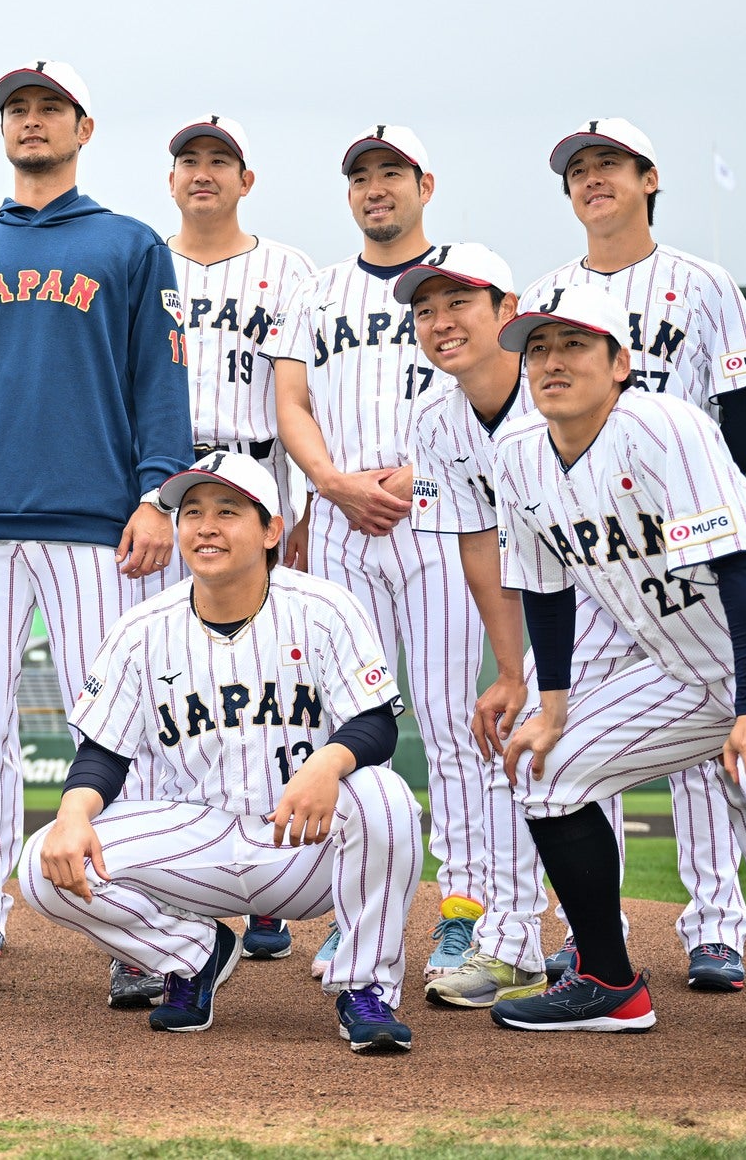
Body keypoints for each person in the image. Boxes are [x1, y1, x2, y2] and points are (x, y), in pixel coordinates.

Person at [489, 283, 746, 1107]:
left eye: (573, 345)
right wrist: (554, 701)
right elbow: (544, 589)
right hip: (700, 669)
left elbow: (742, 567)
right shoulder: (517, 457)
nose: (550, 361)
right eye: (537, 348)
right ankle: (611, 983)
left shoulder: (662, 426)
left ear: (620, 365)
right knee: (547, 767)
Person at [0, 59, 193, 1010]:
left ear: (83, 127)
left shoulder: (131, 244)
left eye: (48, 108)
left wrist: (159, 494)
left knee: (112, 728)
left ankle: (139, 927)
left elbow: (161, 380)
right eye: (17, 110)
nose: (31, 122)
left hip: (97, 524)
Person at [522, 120, 746, 1039]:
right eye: (577, 170)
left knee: (726, 755)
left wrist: (690, 517)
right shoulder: (547, 295)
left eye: (607, 164)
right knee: (578, 748)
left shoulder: (703, 283)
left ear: (650, 179)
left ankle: (724, 931)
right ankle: (594, 945)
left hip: (684, 544)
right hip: (590, 549)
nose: (591, 180)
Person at [21, 452, 421, 1050]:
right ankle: (194, 953)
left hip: (304, 845)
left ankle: (364, 988)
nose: (205, 527)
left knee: (386, 797)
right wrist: (73, 815)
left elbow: (375, 724)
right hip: (200, 839)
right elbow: (103, 756)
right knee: (42, 865)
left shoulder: (323, 607)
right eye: (192, 512)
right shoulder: (142, 629)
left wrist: (328, 762)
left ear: (270, 530)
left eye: (227, 512)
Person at [262, 125, 488, 983]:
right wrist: (332, 483)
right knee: (348, 731)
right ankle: (361, 916)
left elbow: (492, 385)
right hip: (349, 530)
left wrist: (418, 467)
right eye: (361, 176)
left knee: (451, 723)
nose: (375, 188)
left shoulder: (464, 277)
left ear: (425, 183)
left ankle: (470, 911)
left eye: (392, 173)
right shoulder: (316, 294)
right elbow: (291, 404)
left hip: (444, 520)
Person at [394, 243, 622, 1009]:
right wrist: (514, 671)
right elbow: (480, 547)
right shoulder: (434, 418)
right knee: (531, 750)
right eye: (425, 310)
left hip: (639, 587)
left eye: (459, 302)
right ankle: (527, 939)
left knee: (619, 760)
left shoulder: (564, 392)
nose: (440, 321)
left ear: (506, 310)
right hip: (554, 594)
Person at [146, 113, 316, 961]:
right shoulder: (141, 261)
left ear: (247, 179)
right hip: (166, 488)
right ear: (170, 180)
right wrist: (144, 499)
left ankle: (272, 880)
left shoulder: (287, 269)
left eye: (220, 160)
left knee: (268, 689)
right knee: (171, 691)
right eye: (189, 161)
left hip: (254, 483)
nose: (202, 172)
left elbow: (295, 403)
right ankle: (175, 882)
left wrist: (305, 512)